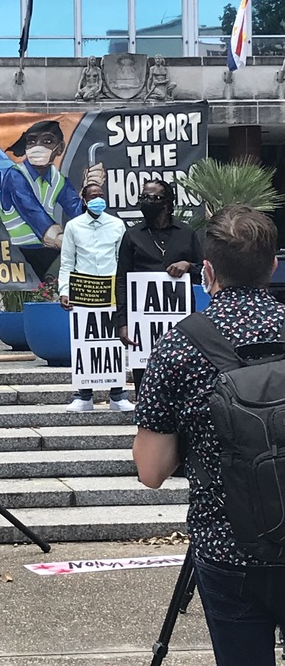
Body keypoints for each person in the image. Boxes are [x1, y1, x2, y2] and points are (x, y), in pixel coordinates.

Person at [133, 205, 285, 666]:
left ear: (207, 270)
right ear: (273, 264)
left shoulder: (180, 345)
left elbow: (151, 471)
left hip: (227, 542)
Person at [115, 179, 202, 396]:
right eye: (143, 197)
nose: (146, 201)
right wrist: (123, 322)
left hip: (179, 322)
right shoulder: (133, 235)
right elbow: (122, 280)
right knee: (144, 381)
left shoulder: (186, 232)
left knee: (180, 376)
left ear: (167, 202)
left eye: (152, 197)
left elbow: (204, 272)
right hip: (143, 323)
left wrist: (188, 266)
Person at [59, 183, 134, 412]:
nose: (98, 199)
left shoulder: (116, 225)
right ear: (84, 200)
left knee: (113, 342)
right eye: (93, 196)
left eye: (101, 195)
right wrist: (64, 291)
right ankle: (83, 395)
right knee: (86, 343)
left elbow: (123, 261)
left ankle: (117, 395)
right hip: (84, 290)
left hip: (111, 289)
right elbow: (67, 262)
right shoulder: (73, 226)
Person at [0, 119, 81, 281]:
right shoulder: (16, 174)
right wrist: (60, 239)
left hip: (48, 249)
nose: (38, 147)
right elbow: (31, 210)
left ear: (60, 148)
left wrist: (89, 192)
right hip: (18, 252)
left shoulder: (59, 179)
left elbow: (76, 209)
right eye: (31, 141)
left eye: (47, 141)